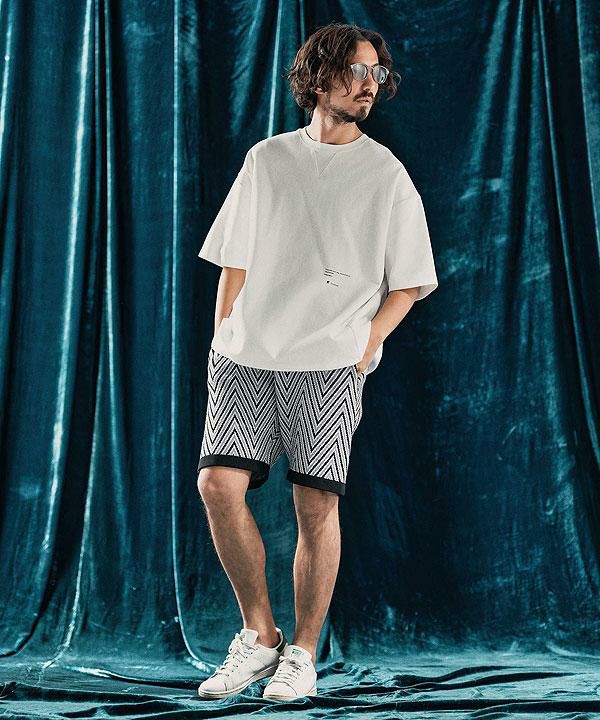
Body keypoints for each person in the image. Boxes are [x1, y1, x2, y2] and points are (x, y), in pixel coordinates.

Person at [195, 22, 438, 701]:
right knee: (218, 487)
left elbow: (410, 282)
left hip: (329, 366)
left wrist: (364, 345)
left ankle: (301, 654)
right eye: (357, 71)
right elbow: (234, 260)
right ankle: (259, 638)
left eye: (376, 74)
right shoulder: (268, 159)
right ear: (319, 76)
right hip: (246, 358)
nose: (370, 85)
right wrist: (221, 340)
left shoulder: (385, 175)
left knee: (315, 505)